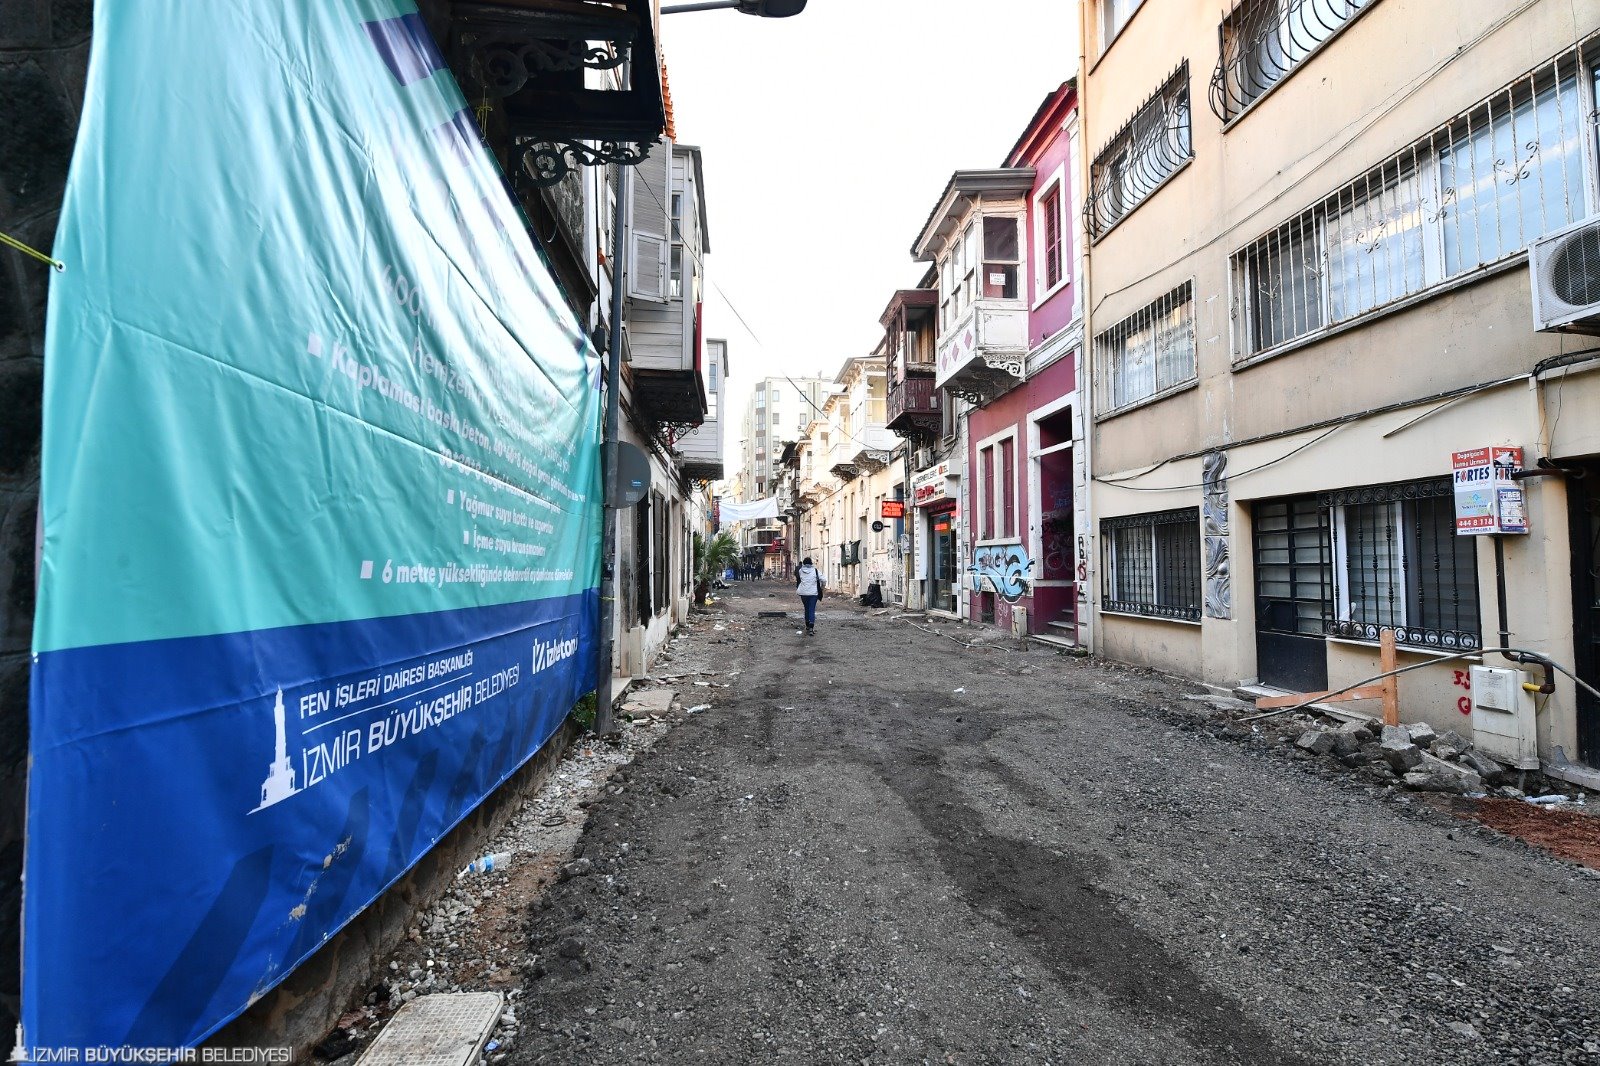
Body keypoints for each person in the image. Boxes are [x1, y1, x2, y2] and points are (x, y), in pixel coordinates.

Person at [794, 556, 824, 636]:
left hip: (803, 593)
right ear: (811, 563)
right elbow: (824, 579)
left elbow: (799, 578)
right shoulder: (815, 571)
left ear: (803, 563)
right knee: (812, 609)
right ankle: (811, 627)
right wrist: (822, 587)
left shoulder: (801, 571)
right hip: (813, 593)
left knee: (806, 608)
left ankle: (807, 625)